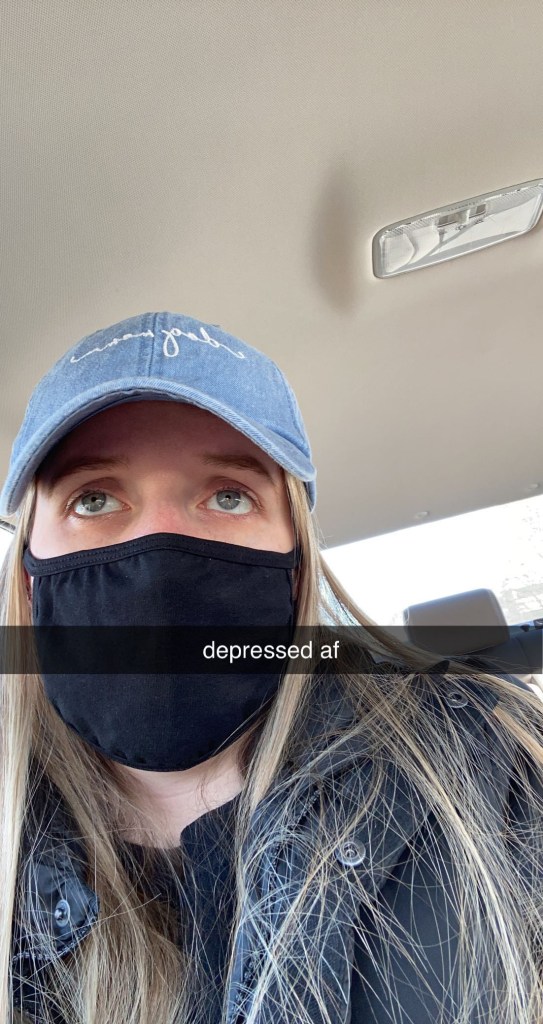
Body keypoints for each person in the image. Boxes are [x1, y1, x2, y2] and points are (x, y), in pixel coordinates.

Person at [0, 310, 541, 1024]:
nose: (160, 545)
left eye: (229, 496)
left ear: (295, 566)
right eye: (92, 499)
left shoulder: (488, 770)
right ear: (30, 576)